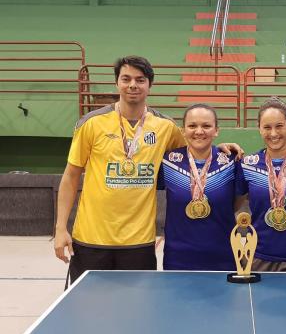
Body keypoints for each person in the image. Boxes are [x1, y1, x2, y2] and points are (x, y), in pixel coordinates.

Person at [54, 56, 241, 282]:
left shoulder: (166, 127)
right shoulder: (92, 123)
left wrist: (218, 149)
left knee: (137, 312)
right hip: (91, 238)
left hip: (139, 242)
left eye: (140, 80)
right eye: (126, 79)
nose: (133, 85)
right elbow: (71, 177)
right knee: (86, 312)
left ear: (149, 85)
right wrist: (60, 228)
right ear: (117, 83)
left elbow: (195, 147)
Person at [236, 97, 286, 272]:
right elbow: (233, 205)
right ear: (259, 128)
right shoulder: (247, 165)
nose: (273, 133)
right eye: (267, 127)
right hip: (258, 256)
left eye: (279, 126)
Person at [157, 104, 236, 271]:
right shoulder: (167, 162)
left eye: (206, 126)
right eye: (192, 126)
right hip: (178, 258)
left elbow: (237, 202)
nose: (199, 131)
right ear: (183, 130)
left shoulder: (231, 162)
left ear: (216, 130)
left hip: (223, 256)